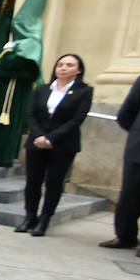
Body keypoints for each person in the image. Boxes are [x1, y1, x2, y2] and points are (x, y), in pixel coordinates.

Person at [15, 53, 93, 236]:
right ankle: (30, 216)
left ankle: (45, 219)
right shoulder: (42, 89)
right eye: (60, 64)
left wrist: (51, 139)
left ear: (78, 70)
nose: (63, 68)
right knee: (33, 180)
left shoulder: (84, 91)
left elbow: (77, 119)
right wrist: (40, 136)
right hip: (36, 142)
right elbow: (31, 114)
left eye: (69, 65)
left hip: (63, 144)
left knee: (54, 182)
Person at [0, 0, 48, 167]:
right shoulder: (15, 45)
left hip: (14, 91)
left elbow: (12, 65)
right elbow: (0, 65)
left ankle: (2, 157)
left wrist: (4, 62)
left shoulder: (31, 44)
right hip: (3, 88)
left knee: (7, 123)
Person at [99, 72, 140, 255]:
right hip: (139, 147)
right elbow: (126, 113)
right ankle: (125, 237)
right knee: (130, 193)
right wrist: (137, 133)